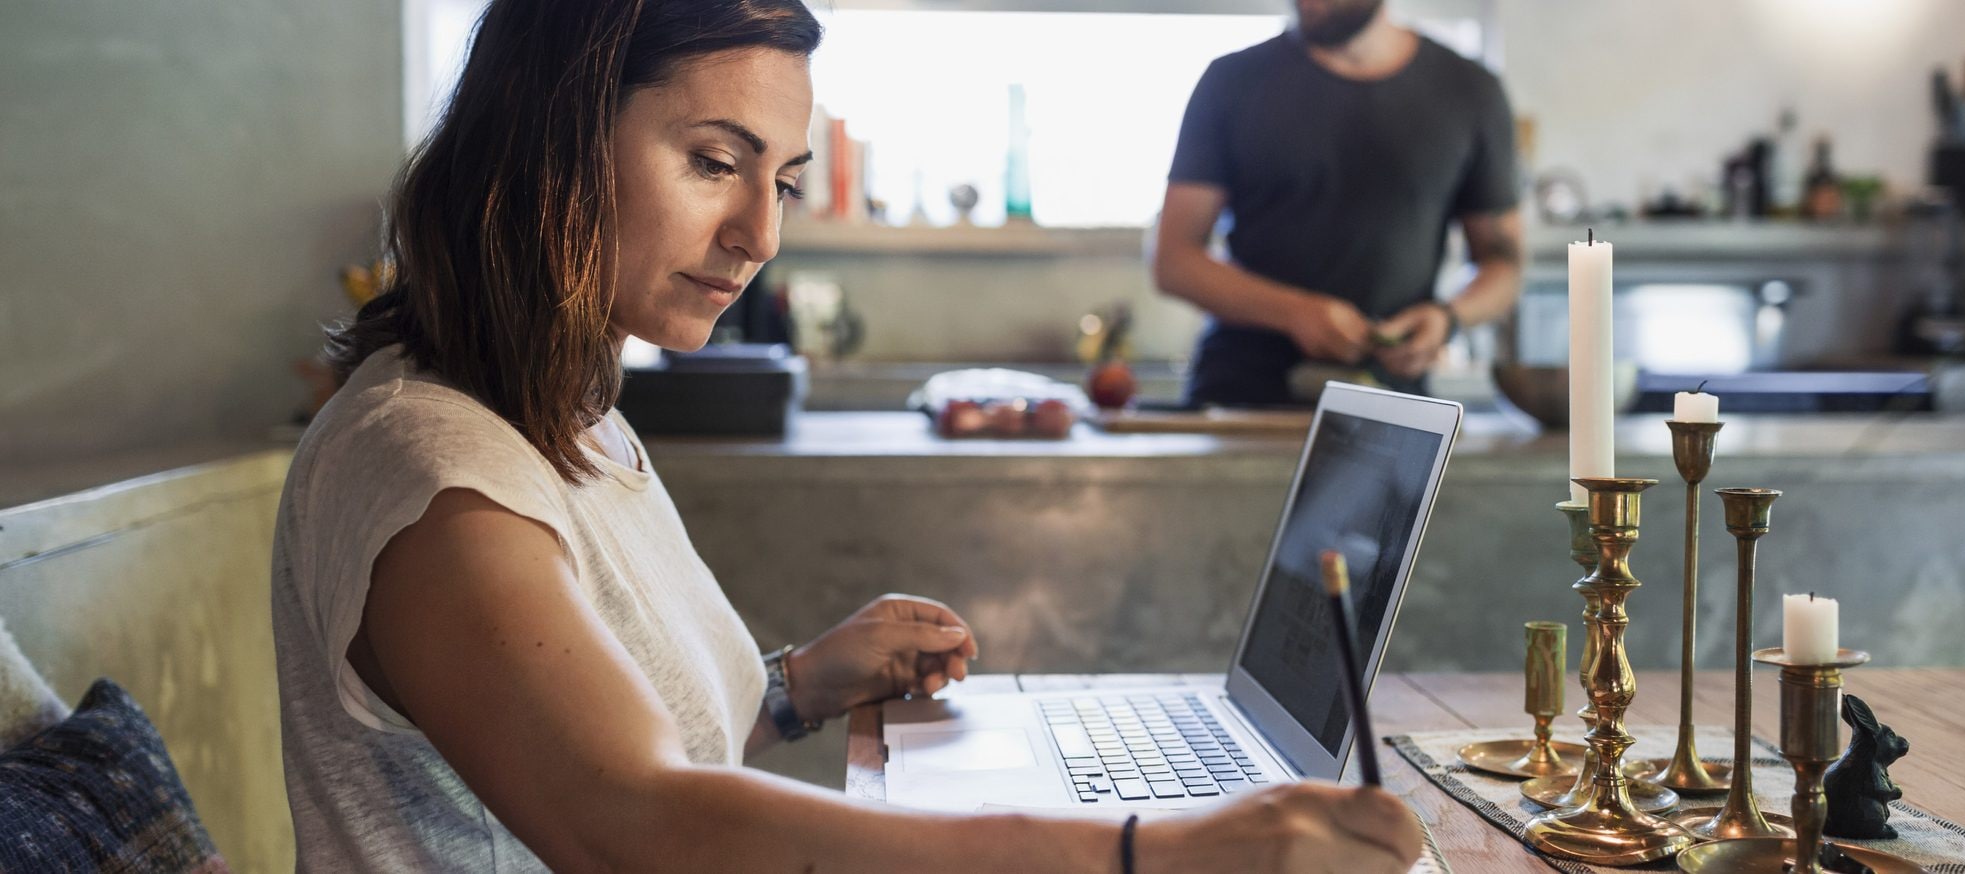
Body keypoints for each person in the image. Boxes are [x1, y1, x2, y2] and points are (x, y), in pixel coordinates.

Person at [270, 1, 1429, 871]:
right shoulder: (433, 469)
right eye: (715, 162)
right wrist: (1156, 854)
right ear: (549, 140)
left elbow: (614, 728)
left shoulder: (567, 421)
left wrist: (798, 683)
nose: (757, 233)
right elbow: (635, 819)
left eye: (783, 179)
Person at [1152, 0, 1526, 406]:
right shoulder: (1231, 81)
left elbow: (1502, 265)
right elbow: (1174, 260)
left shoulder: (1470, 90)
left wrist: (1447, 318)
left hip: (1391, 404)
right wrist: (1293, 312)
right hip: (1240, 399)